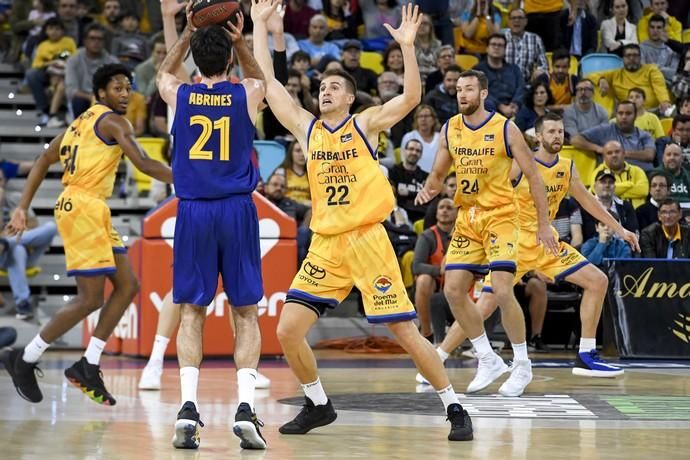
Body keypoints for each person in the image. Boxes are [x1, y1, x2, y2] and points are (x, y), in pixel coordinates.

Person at [252, 0, 473, 441]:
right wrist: (259, 25)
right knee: (287, 329)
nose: (325, 92)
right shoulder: (306, 128)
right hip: (326, 244)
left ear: (350, 97)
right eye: (322, 88)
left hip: (368, 240)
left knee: (404, 333)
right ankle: (317, 403)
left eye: (334, 87)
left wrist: (408, 48)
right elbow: (267, 82)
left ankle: (455, 406)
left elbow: (411, 98)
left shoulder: (365, 124)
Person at [416, 113, 639, 386]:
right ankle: (438, 356)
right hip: (513, 242)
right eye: (551, 132)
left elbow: (589, 203)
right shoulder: (520, 164)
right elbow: (490, 192)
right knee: (484, 306)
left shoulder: (567, 167)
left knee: (598, 281)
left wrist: (621, 230)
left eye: (560, 131)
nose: (557, 136)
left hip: (547, 243)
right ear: (538, 136)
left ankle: (586, 354)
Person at [0, 63, 173, 407]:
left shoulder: (78, 125)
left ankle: (88, 364)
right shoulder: (114, 121)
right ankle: (26, 357)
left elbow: (42, 160)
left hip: (90, 208)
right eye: (117, 88)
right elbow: (142, 162)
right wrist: (190, 178)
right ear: (100, 93)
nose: (125, 94)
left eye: (128, 88)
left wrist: (22, 207)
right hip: (83, 208)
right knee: (90, 298)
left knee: (128, 286)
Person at [156, 4, 268, 450]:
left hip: (194, 211)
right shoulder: (247, 93)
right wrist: (242, 41)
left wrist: (186, 33)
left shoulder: (179, 94)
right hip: (237, 210)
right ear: (227, 59)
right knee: (246, 312)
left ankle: (187, 408)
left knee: (191, 311)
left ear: (196, 60)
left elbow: (165, 72)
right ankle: (244, 408)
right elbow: (263, 79)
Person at [415, 70, 558, 397]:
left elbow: (534, 177)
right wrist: (429, 189)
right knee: (452, 290)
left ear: (483, 93)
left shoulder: (506, 129)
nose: (461, 94)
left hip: (502, 217)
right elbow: (438, 172)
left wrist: (543, 223)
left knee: (502, 290)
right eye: (458, 89)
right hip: (468, 217)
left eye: (468, 89)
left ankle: (522, 363)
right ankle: (486, 356)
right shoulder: (450, 127)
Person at [589, 140, 649, 209]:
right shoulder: (598, 172)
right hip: (611, 214)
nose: (614, 155)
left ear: (624, 153)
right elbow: (597, 191)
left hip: (638, 214)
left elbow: (644, 190)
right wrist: (629, 184)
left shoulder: (637, 171)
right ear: (604, 157)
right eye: (609, 153)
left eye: (617, 152)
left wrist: (616, 193)